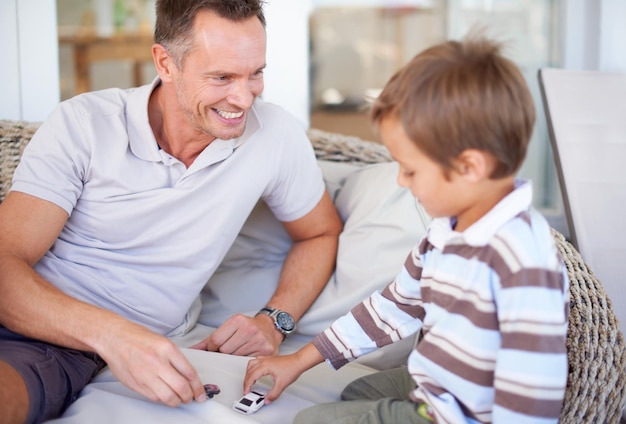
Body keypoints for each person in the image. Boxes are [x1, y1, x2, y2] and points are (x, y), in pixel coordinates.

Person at [0, 0, 342, 423]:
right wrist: (116, 337)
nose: (244, 97)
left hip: (50, 350)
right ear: (165, 62)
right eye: (222, 77)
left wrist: (275, 321)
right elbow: (5, 264)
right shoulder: (85, 124)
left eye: (256, 73)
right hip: (44, 313)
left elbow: (320, 233)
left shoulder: (275, 137)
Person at [243, 34, 570, 424]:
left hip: (463, 417)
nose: (400, 181)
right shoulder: (444, 231)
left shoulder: (522, 262)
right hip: (439, 385)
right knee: (356, 393)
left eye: (411, 170)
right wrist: (298, 360)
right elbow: (391, 307)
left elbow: (534, 395)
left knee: (312, 421)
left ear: (469, 167)